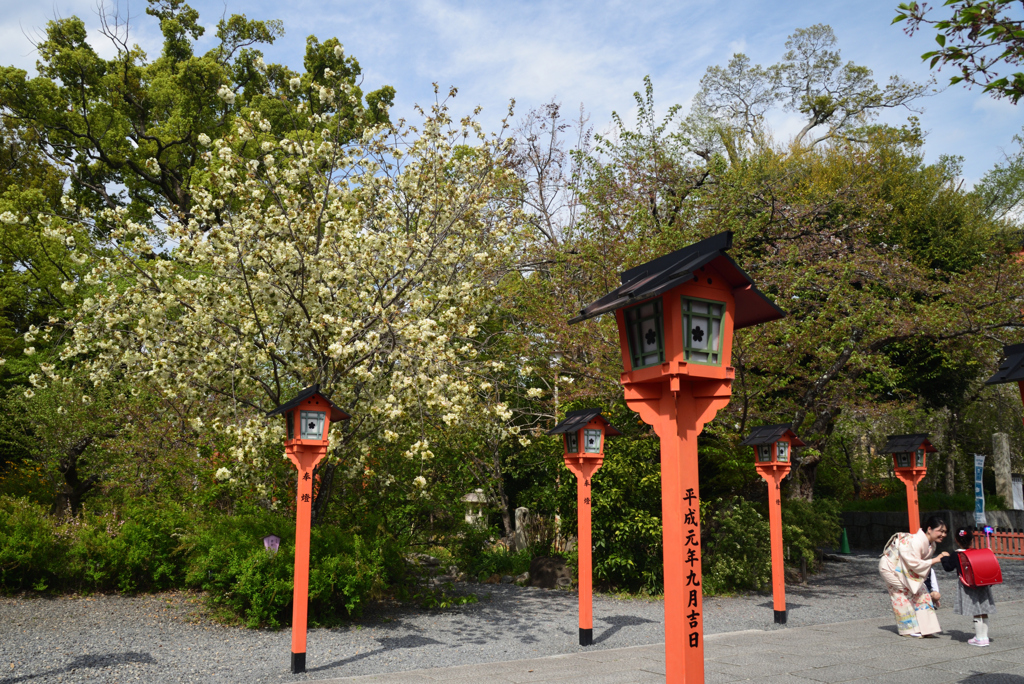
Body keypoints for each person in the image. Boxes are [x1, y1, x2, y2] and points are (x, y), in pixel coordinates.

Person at [878, 516, 949, 637]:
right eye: (940, 531)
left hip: (904, 570)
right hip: (891, 568)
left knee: (922, 593)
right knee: (902, 594)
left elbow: (919, 565)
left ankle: (926, 628)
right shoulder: (915, 540)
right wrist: (935, 560)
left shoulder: (931, 545)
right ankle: (909, 629)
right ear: (929, 529)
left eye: (945, 532)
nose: (943, 534)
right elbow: (913, 563)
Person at [939, 527, 997, 647]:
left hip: (968, 586)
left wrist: (944, 557)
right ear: (972, 539)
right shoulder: (978, 551)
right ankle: (984, 637)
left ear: (956, 540)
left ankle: (980, 638)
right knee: (984, 610)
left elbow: (948, 567)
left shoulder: (957, 554)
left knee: (976, 611)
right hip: (982, 584)